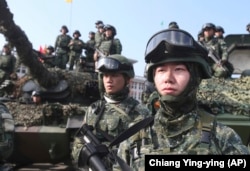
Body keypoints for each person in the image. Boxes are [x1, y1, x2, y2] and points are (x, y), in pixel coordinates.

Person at [119, 28, 250, 171]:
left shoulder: (221, 137)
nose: (168, 78)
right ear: (153, 78)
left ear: (194, 76)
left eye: (179, 70)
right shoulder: (134, 139)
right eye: (161, 70)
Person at [71, 54, 151, 170]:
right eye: (105, 75)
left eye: (114, 75)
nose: (108, 80)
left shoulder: (141, 112)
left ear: (127, 79)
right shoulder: (93, 109)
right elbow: (78, 143)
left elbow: (145, 151)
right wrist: (87, 154)